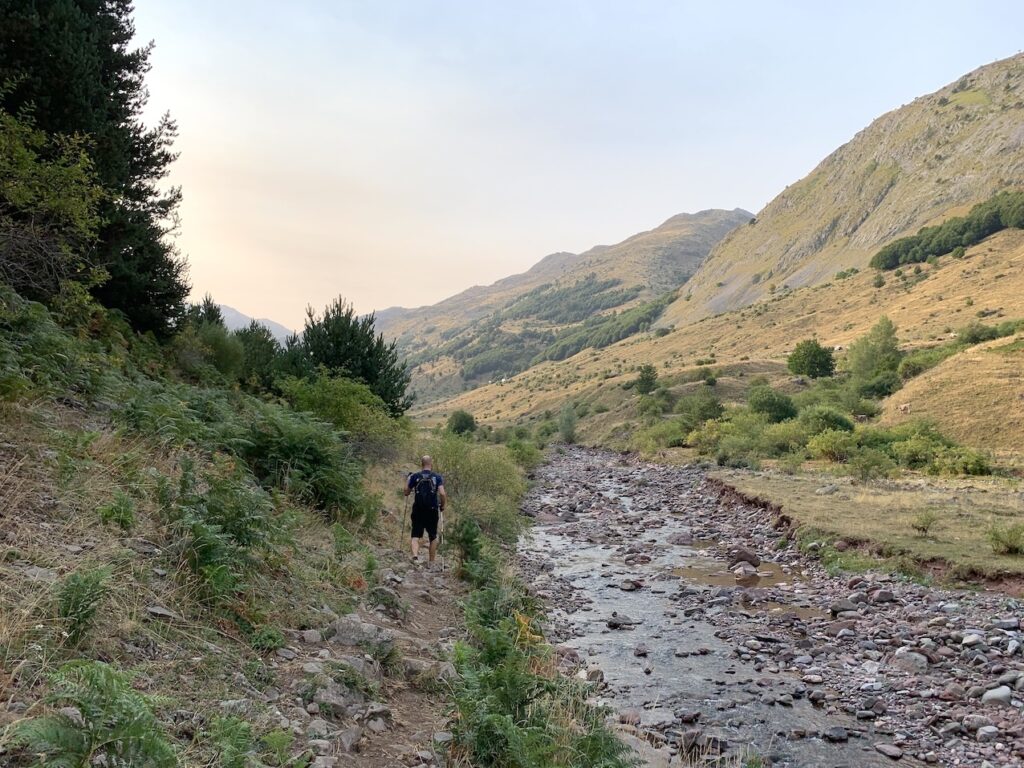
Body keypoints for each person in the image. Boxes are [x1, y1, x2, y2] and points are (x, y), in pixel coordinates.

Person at [404, 455, 447, 564]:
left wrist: (408, 480)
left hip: (418, 509)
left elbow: (406, 492)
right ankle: (431, 562)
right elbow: (442, 493)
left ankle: (415, 557)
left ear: (421, 464)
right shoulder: (437, 477)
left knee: (415, 535)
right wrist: (442, 505)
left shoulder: (415, 476)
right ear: (431, 464)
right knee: (433, 536)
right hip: (432, 510)